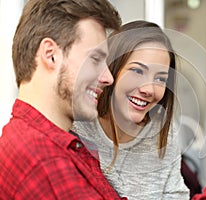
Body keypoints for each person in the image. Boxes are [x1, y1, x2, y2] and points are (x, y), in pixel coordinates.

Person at [72, 20, 206, 200]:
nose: (149, 89)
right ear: (112, 70)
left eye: (161, 78)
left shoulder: (161, 129)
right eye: (137, 71)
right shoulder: (78, 131)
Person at [0, 0, 128, 199]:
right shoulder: (43, 160)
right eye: (95, 59)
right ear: (51, 55)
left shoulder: (55, 145)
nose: (108, 78)